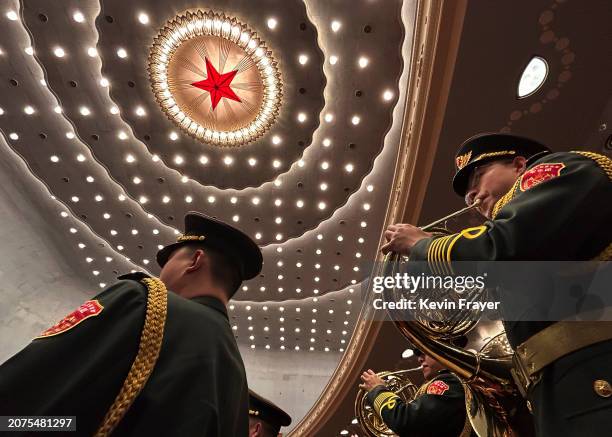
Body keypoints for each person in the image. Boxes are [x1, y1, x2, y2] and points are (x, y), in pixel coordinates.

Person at [381, 132, 612, 436]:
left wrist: (423, 246)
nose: (474, 196)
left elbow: (509, 248)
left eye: (478, 176)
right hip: (567, 387)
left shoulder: (557, 169)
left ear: (518, 164)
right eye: (467, 196)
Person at [0, 212, 262, 437]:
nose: (162, 274)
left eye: (169, 262)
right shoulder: (237, 382)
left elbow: (34, 387)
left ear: (195, 261)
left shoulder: (145, 302)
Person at [359, 339, 474, 437]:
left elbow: (406, 421)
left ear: (445, 351)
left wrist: (377, 390)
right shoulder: (448, 383)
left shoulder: (448, 382)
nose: (419, 359)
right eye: (419, 355)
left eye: (425, 352)